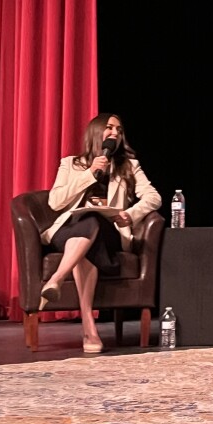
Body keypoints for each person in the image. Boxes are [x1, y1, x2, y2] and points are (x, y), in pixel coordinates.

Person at [41, 113, 162, 353]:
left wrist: (131, 214)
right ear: (96, 132)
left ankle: (56, 279)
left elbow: (153, 197)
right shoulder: (70, 164)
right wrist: (89, 173)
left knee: (94, 219)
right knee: (85, 232)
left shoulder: (129, 166)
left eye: (118, 130)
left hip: (109, 231)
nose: (115, 133)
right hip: (70, 229)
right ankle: (89, 326)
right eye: (109, 128)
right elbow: (55, 202)